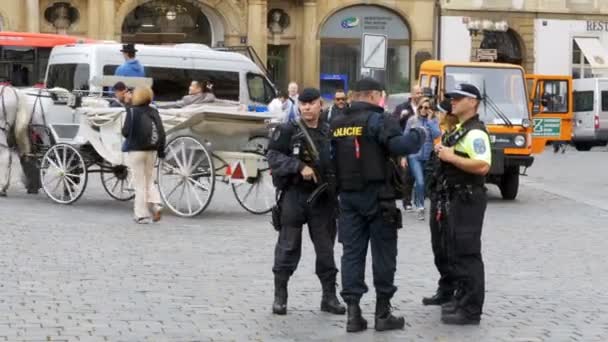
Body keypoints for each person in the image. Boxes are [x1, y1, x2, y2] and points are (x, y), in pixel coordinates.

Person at [331, 77, 425, 332]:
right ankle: (382, 313)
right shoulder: (379, 120)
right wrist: (419, 132)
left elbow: (326, 160)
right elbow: (400, 145)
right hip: (379, 198)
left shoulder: (337, 122)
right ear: (373, 95)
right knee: (384, 254)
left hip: (348, 198)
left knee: (351, 254)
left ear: (354, 95)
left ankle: (353, 314)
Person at [267, 87, 345, 317]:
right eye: (303, 104)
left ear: (320, 104)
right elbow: (273, 156)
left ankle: (329, 297)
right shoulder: (287, 130)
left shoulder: (330, 131)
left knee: (325, 249)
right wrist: (299, 166)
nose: (307, 108)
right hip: (294, 195)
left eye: (311, 103)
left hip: (323, 199)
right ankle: (280, 296)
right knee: (287, 247)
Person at [434, 83, 491, 325]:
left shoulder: (476, 132)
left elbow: (482, 165)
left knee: (468, 254)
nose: (453, 101)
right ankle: (462, 300)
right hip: (456, 197)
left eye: (458, 98)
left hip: (468, 197)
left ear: (473, 102)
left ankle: (470, 310)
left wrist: (450, 156)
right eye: (452, 98)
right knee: (456, 252)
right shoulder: (461, 129)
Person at [422, 98, 459, 308]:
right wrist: (430, 186)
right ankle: (445, 287)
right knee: (438, 247)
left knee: (450, 246)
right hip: (437, 196)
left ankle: (456, 290)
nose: (437, 115)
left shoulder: (457, 136)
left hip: (450, 199)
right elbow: (432, 163)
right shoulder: (443, 135)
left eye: (440, 112)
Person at [121, 87, 166, 224]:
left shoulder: (132, 111)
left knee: (139, 184)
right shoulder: (153, 111)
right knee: (149, 180)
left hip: (136, 151)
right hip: (151, 150)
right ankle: (157, 204)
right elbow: (161, 132)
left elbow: (125, 132)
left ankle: (141, 215)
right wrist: (161, 151)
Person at [403, 97, 441, 220]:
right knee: (420, 181)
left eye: (426, 107)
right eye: (421, 107)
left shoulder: (434, 121)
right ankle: (420, 207)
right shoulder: (412, 120)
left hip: (428, 157)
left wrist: (430, 121)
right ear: (418, 108)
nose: (423, 110)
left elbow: (437, 135)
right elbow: (405, 138)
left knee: (423, 185)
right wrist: (404, 156)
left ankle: (418, 198)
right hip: (414, 156)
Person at [393, 85, 423, 211]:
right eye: (417, 92)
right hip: (405, 143)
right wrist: (401, 117)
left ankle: (418, 199)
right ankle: (407, 201)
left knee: (421, 174)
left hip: (421, 144)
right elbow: (393, 123)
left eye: (421, 92)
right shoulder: (402, 108)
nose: (419, 95)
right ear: (411, 94)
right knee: (407, 173)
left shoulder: (424, 107)